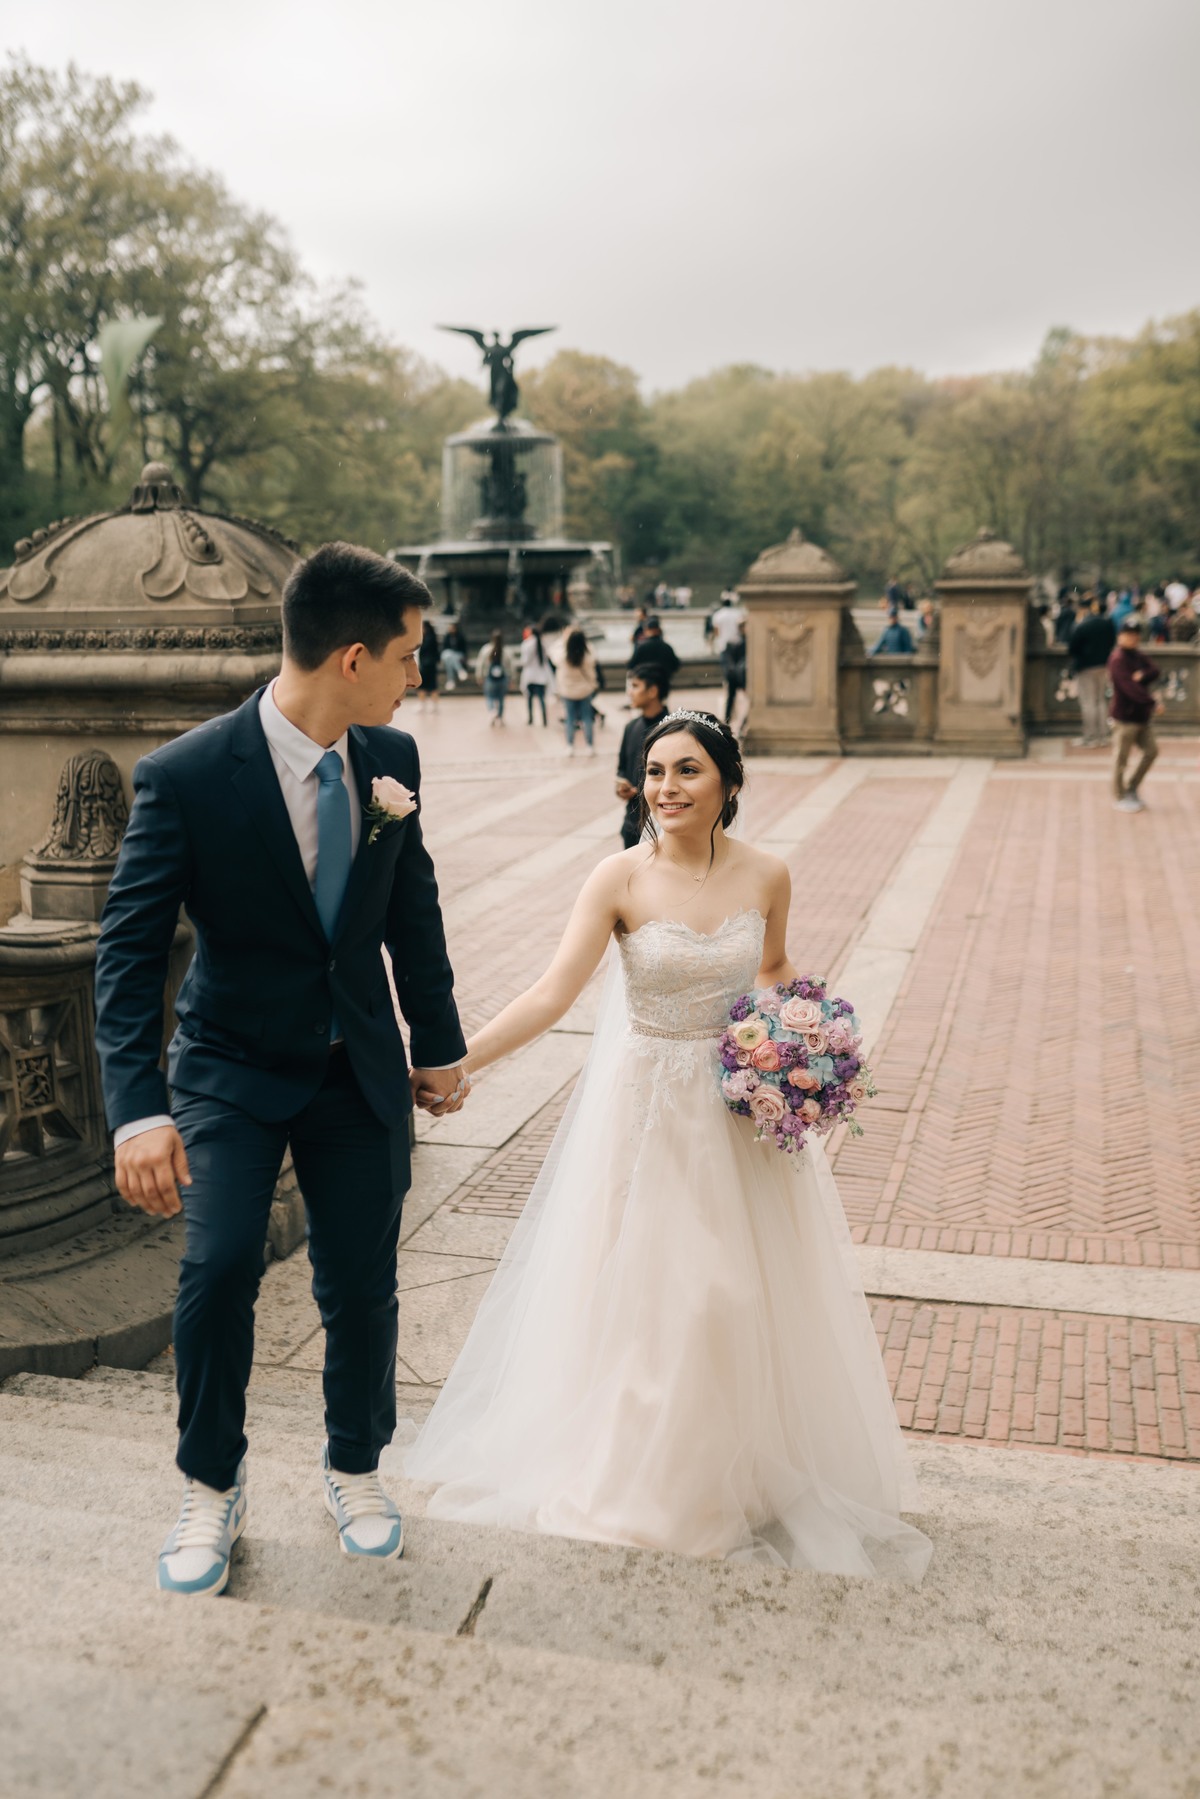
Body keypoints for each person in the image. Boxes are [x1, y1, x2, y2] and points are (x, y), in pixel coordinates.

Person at [404, 710, 932, 1580]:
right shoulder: (618, 877)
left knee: (727, 1297)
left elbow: (773, 971)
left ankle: (727, 1476)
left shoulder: (767, 872)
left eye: (687, 770)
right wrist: (461, 1064)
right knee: (649, 1294)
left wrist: (803, 1048)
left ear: (727, 781)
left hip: (732, 1117)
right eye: (654, 772)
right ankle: (640, 1479)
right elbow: (550, 992)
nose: (666, 788)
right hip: (641, 1111)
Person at [93, 542, 470, 1596]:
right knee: (216, 1270)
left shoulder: (392, 755)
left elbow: (412, 909)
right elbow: (127, 950)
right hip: (229, 1066)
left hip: (358, 1070)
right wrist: (137, 1112)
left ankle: (356, 1464)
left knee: (362, 1280)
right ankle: (211, 1483)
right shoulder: (186, 774)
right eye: (407, 653)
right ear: (352, 656)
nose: (415, 675)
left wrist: (434, 1044)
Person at [1108, 619, 1162, 812]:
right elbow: (1129, 688)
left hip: (1141, 717)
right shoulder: (1118, 659)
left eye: (1135, 635)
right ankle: (1119, 795)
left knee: (1151, 751)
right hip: (1124, 717)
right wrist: (1153, 702)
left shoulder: (1138, 656)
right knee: (1120, 759)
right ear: (1120, 636)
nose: (1132, 638)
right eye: (1128, 635)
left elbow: (1154, 670)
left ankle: (1131, 786)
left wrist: (1142, 675)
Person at [614, 665, 670, 847]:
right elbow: (622, 767)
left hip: (662, 826)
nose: (630, 693)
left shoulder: (673, 730)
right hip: (631, 824)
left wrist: (640, 791)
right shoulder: (631, 727)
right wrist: (621, 785)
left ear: (653, 691)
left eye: (635, 686)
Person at [1067, 594, 1116, 747]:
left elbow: (1072, 647)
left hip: (1086, 666)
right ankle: (1103, 735)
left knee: (1088, 702)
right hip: (1103, 664)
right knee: (1101, 700)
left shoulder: (1082, 625)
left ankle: (1090, 736)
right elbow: (1112, 642)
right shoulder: (1107, 623)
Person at [554, 626, 600, 755]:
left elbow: (552, 652)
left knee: (570, 719)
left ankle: (570, 746)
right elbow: (593, 664)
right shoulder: (588, 657)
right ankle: (589, 746)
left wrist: (564, 638)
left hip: (568, 692)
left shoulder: (563, 657)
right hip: (585, 691)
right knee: (587, 719)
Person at [627, 616, 681, 686]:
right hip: (663, 681)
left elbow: (631, 665)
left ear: (646, 631)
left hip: (645, 682)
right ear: (659, 630)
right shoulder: (667, 647)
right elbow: (676, 664)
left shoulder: (641, 647)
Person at [519, 623, 553, 727]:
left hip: (530, 676)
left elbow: (525, 661)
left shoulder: (527, 644)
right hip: (541, 676)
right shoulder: (543, 644)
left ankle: (530, 718)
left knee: (529, 698)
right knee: (542, 699)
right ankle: (544, 719)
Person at [475, 629, 509, 727]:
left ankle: (492, 711)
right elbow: (510, 666)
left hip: (490, 678)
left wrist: (479, 676)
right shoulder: (505, 650)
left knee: (489, 697)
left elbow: (480, 664)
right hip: (502, 679)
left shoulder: (486, 649)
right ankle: (500, 718)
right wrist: (511, 678)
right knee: (501, 699)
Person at [721, 621, 747, 728]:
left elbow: (726, 659)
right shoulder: (748, 641)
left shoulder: (731, 641)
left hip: (733, 675)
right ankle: (730, 722)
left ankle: (726, 722)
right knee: (733, 699)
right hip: (742, 675)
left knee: (730, 699)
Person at [707, 590, 747, 657]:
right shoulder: (738, 613)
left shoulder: (717, 615)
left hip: (723, 645)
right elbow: (742, 629)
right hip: (737, 643)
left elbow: (716, 632)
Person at [417, 618, 442, 711]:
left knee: (424, 686)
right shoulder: (432, 638)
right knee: (432, 686)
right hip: (430, 666)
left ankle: (424, 705)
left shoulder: (426, 639)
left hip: (426, 666)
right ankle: (434, 706)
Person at [440, 620, 468, 688]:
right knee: (449, 655)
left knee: (449, 660)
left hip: (458, 654)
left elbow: (463, 649)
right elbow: (445, 648)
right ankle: (460, 670)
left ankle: (450, 681)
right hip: (448, 654)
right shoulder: (447, 636)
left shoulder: (460, 636)